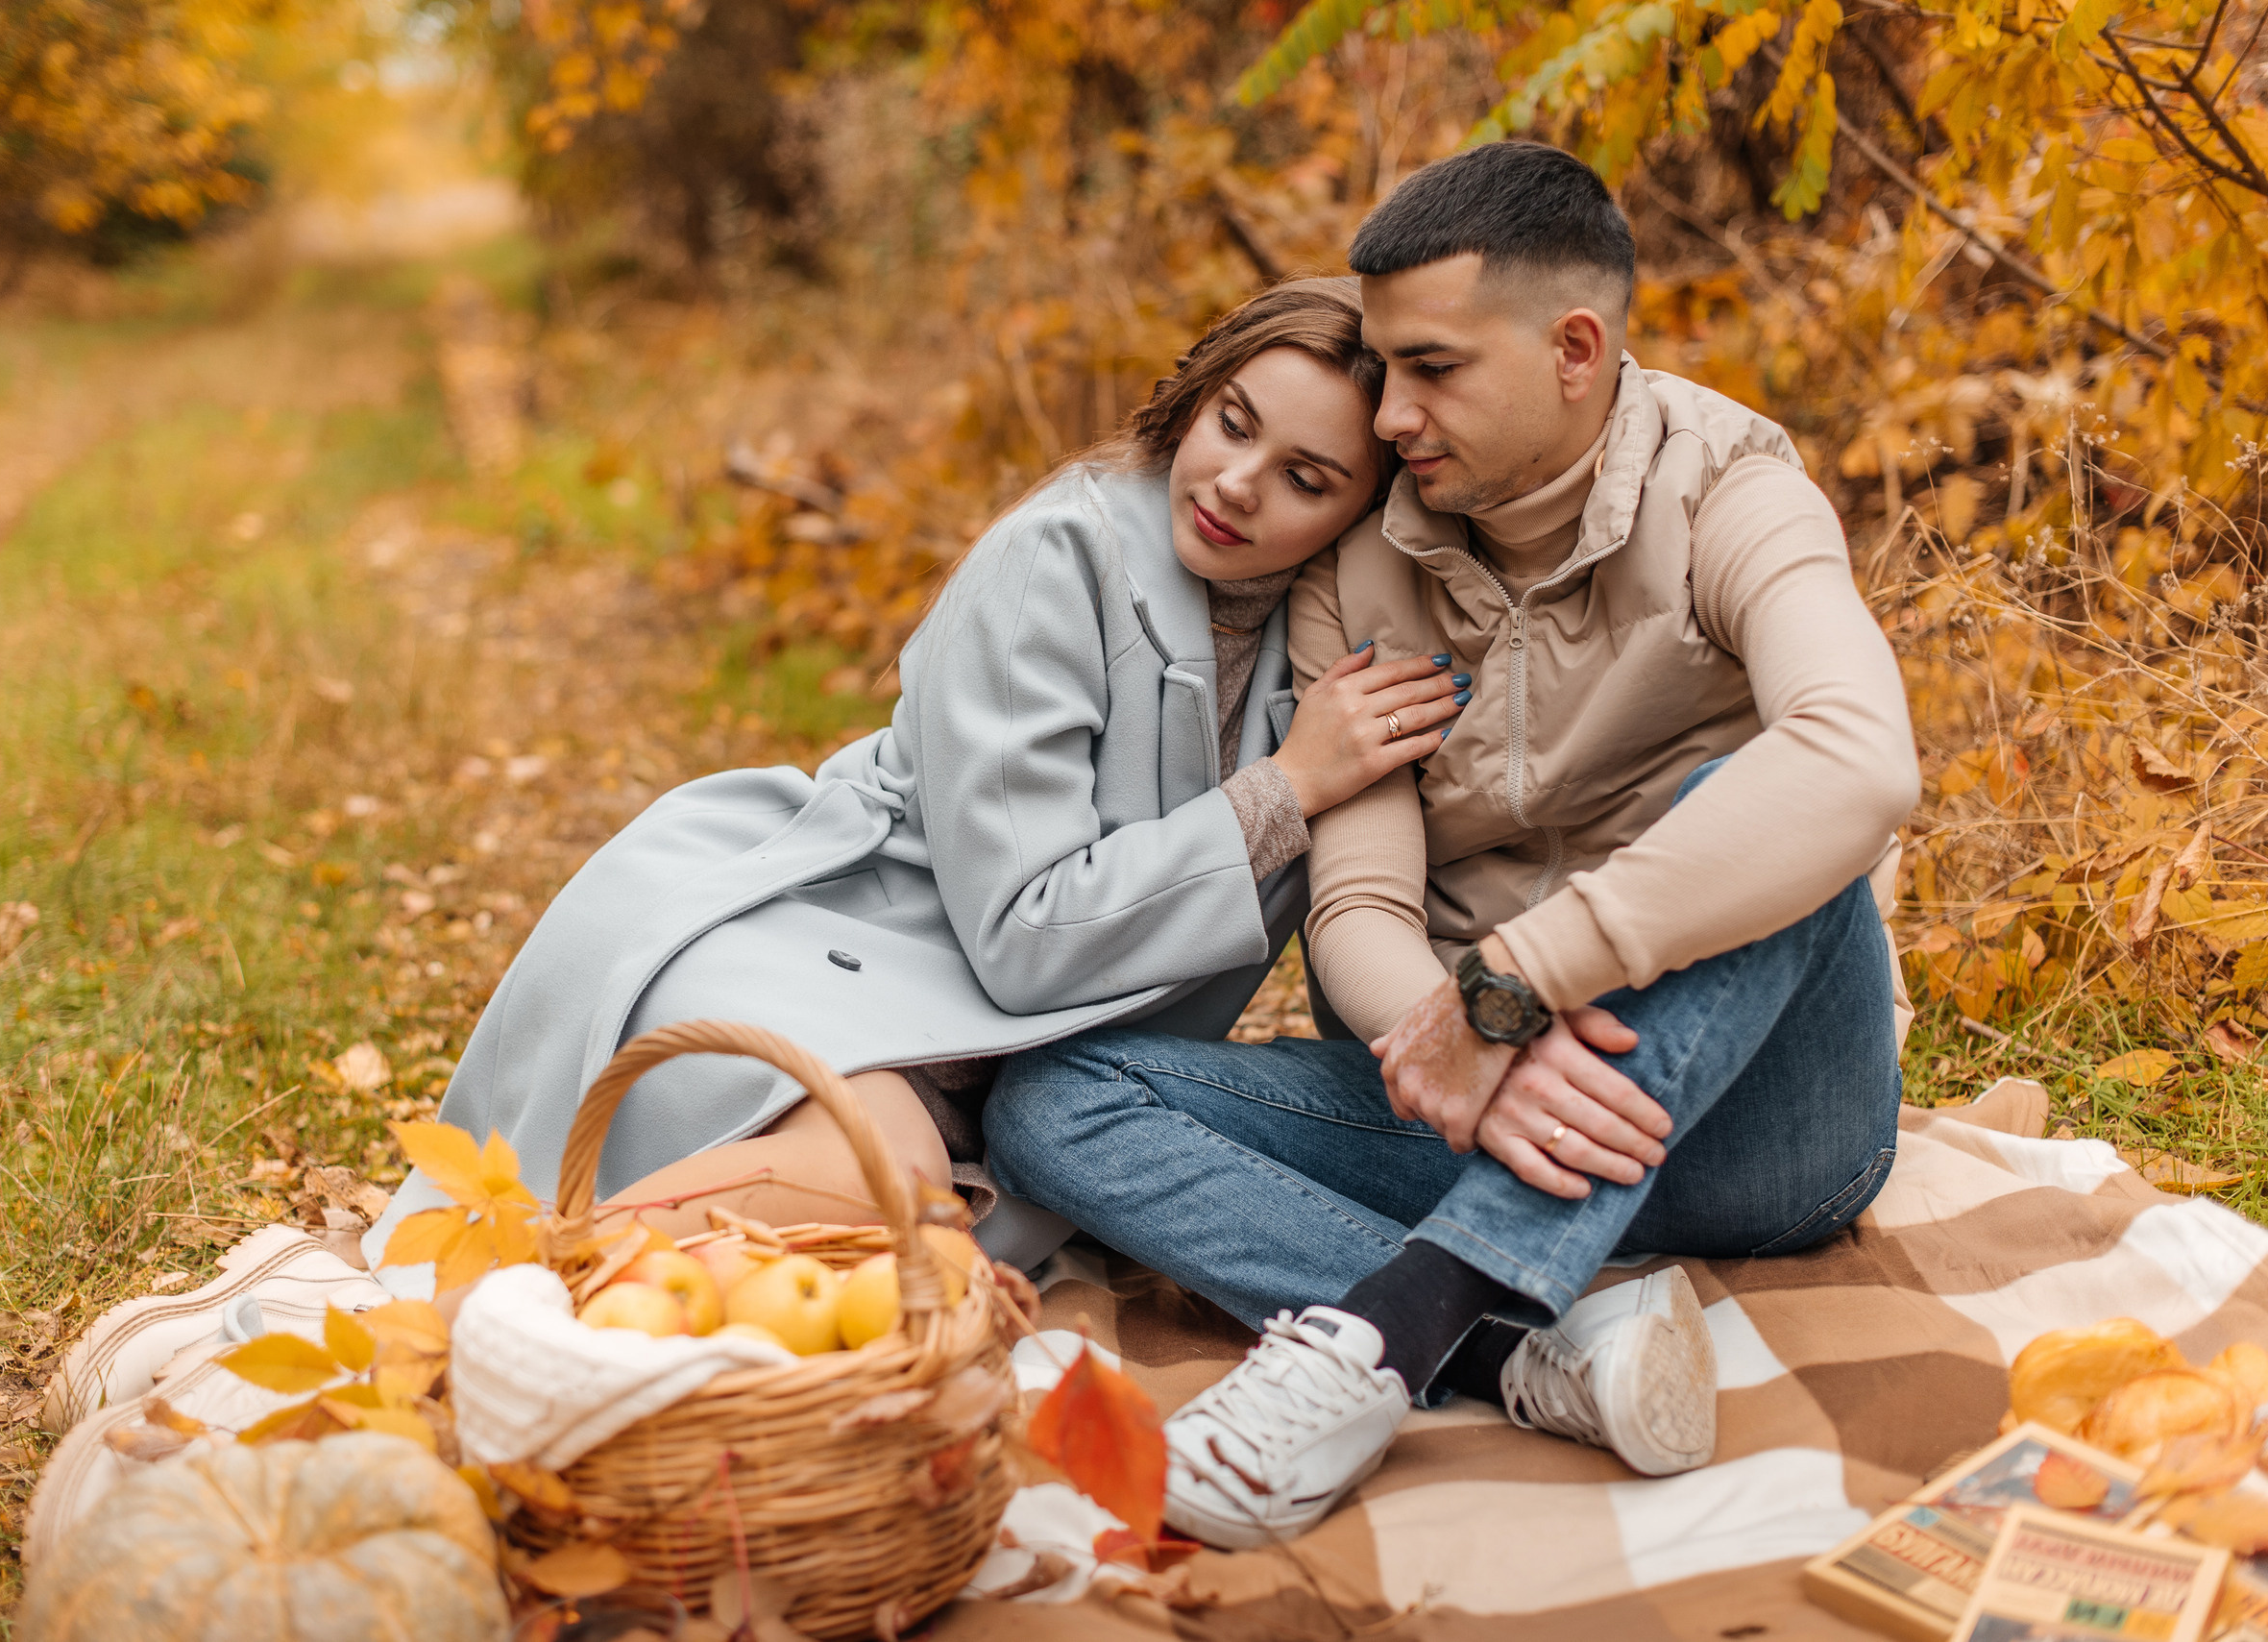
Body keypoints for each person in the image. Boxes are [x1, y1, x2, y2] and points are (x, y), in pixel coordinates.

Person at [984, 141, 1921, 1547]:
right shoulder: (1362, 562)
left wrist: (1516, 987)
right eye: (1382, 365)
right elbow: (1359, 896)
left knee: (1764, 792)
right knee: (1053, 1102)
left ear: (1575, 349)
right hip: (1487, 1106)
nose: (1392, 411)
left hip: (1763, 1129)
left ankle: (1384, 1334)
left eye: (1431, 368)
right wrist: (1451, 1040)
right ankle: (1532, 1347)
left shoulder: (1730, 491)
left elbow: (1860, 761)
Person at [356, 276, 1467, 1283]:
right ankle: (496, 1324)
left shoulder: (1324, 657)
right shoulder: (1056, 557)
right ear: (1194, 397)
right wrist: (1281, 790)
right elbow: (1026, 938)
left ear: (1357, 520)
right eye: (1233, 422)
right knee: (886, 1201)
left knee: (901, 1255)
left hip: (999, 1073)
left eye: (1305, 479)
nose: (1236, 482)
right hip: (828, 958)